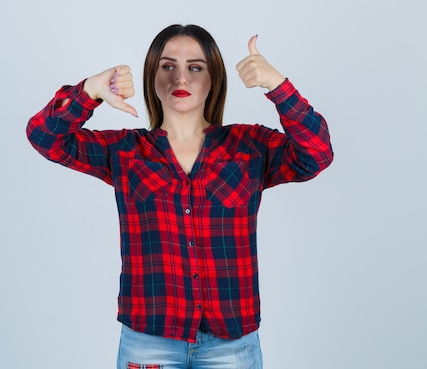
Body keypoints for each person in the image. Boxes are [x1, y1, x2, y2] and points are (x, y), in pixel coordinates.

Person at [26, 24, 333, 369]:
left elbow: (317, 155)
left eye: (195, 68)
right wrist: (89, 91)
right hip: (149, 343)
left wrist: (279, 87)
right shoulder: (126, 152)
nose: (181, 79)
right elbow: (44, 138)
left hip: (231, 345)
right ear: (151, 77)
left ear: (213, 78)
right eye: (168, 66)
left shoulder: (250, 147)